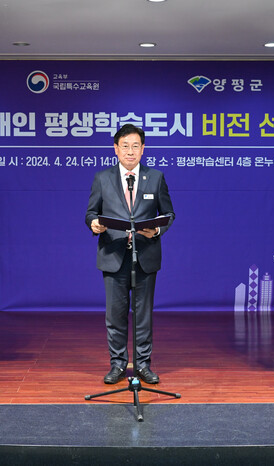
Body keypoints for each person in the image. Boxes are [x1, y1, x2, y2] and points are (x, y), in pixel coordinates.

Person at [85, 124, 175, 385]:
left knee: (143, 316)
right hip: (113, 256)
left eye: (136, 146)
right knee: (115, 316)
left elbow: (168, 214)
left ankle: (143, 365)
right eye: (125, 146)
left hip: (145, 255)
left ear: (143, 149)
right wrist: (94, 223)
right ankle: (117, 365)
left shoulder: (155, 177)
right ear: (116, 149)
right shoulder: (102, 178)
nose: (130, 151)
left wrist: (157, 229)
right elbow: (91, 212)